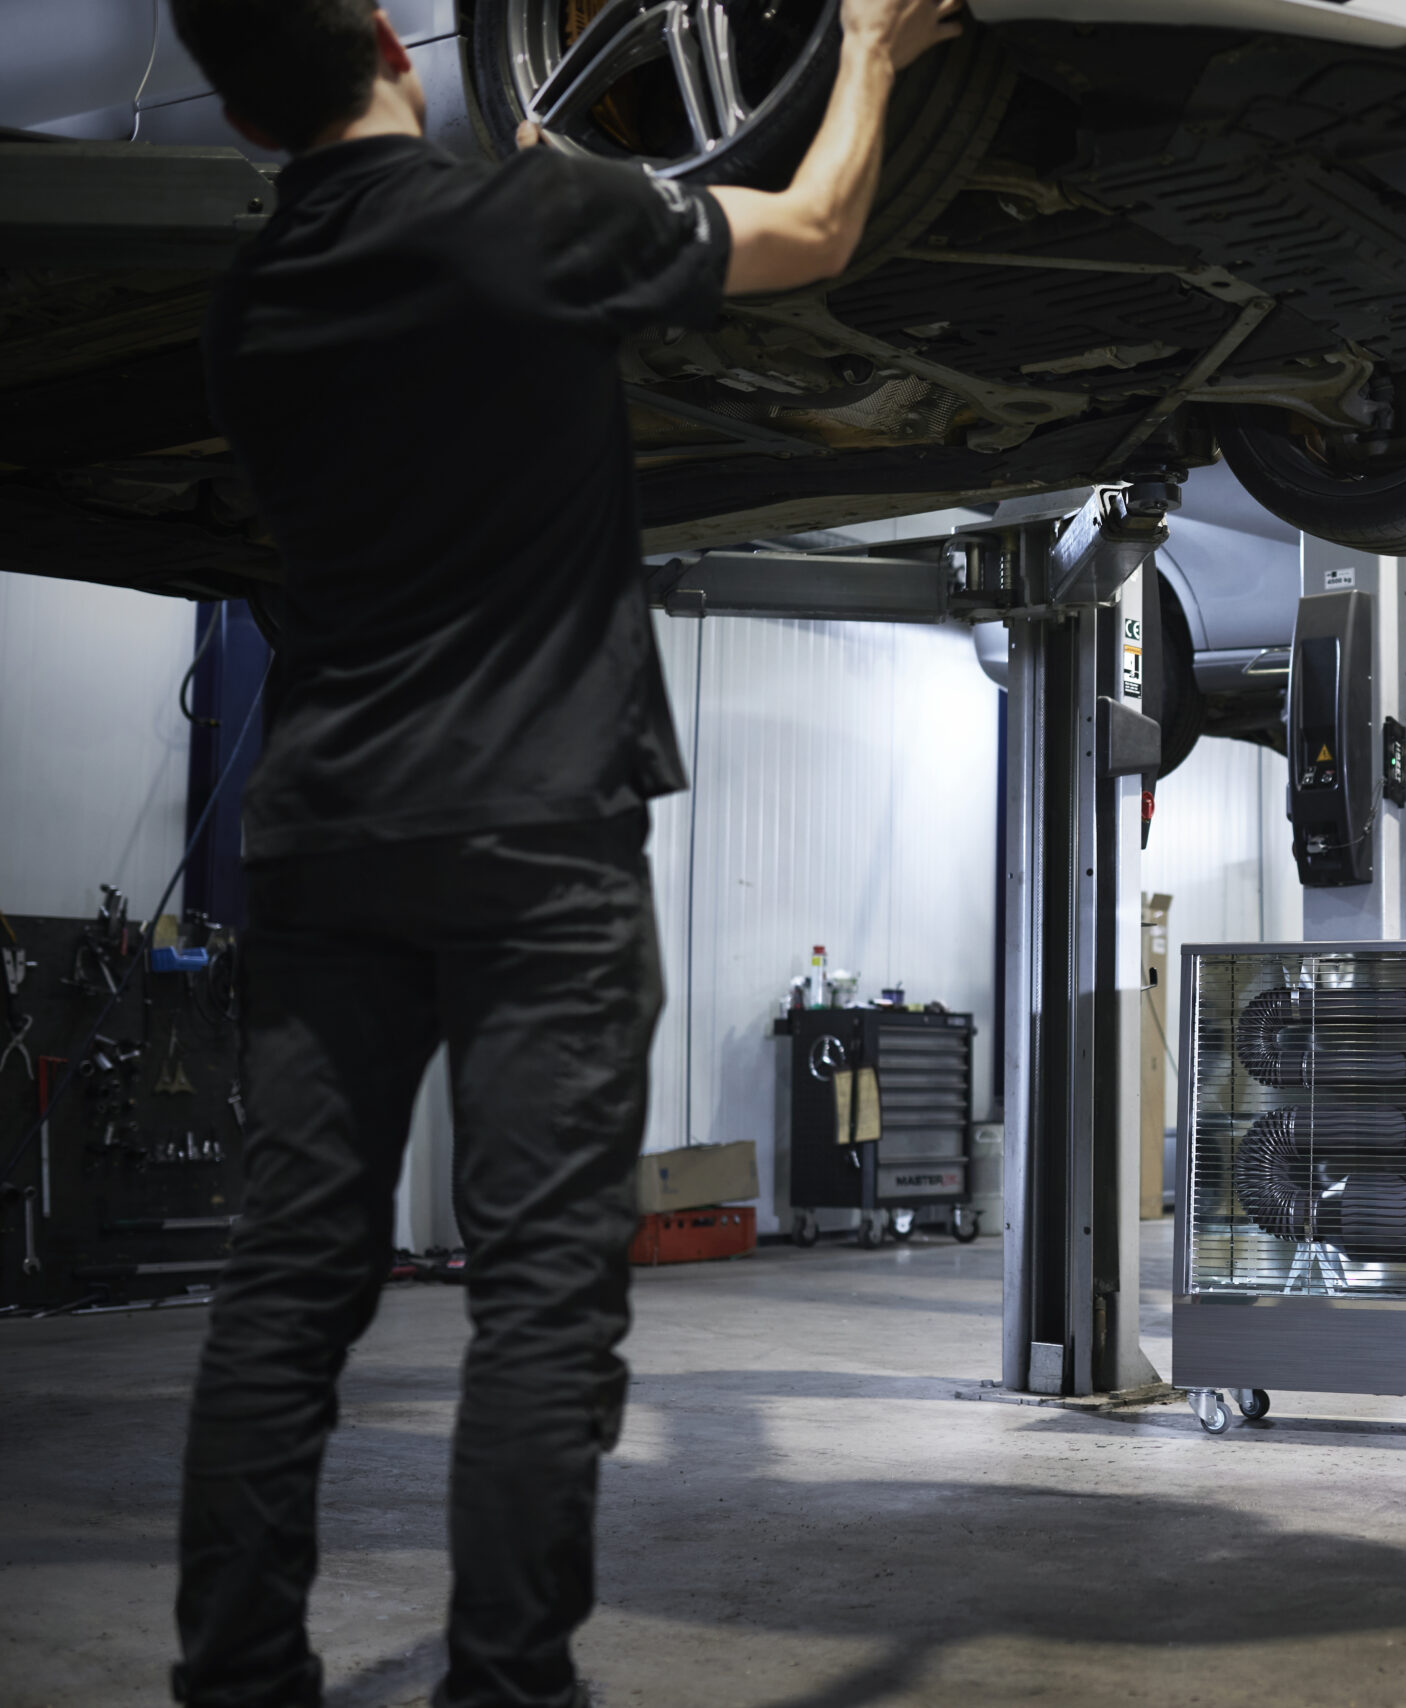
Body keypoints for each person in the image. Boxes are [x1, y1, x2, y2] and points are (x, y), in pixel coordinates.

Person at [160, 2, 962, 1704]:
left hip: (325, 835)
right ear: (394, 35)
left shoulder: (251, 302)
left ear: (239, 125)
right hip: (535, 834)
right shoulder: (538, 220)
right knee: (538, 1299)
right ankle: (508, 1685)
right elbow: (814, 233)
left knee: (289, 1287)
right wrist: (877, 50)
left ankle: (234, 1682)